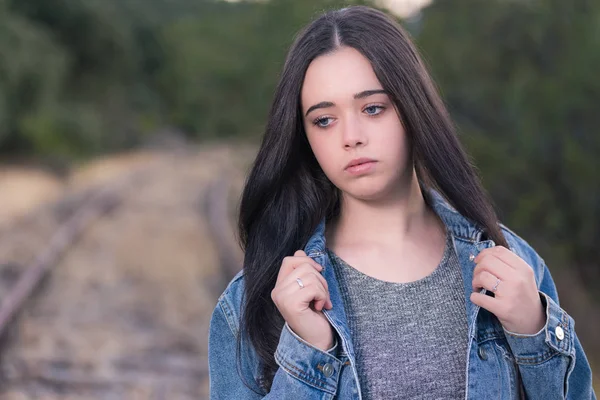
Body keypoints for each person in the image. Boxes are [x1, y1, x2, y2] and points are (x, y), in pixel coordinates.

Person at [208, 5, 596, 399]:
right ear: (304, 137)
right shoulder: (256, 300)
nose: (351, 136)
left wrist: (532, 331)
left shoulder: (513, 265)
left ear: (413, 109)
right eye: (324, 120)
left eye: (373, 108)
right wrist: (308, 350)